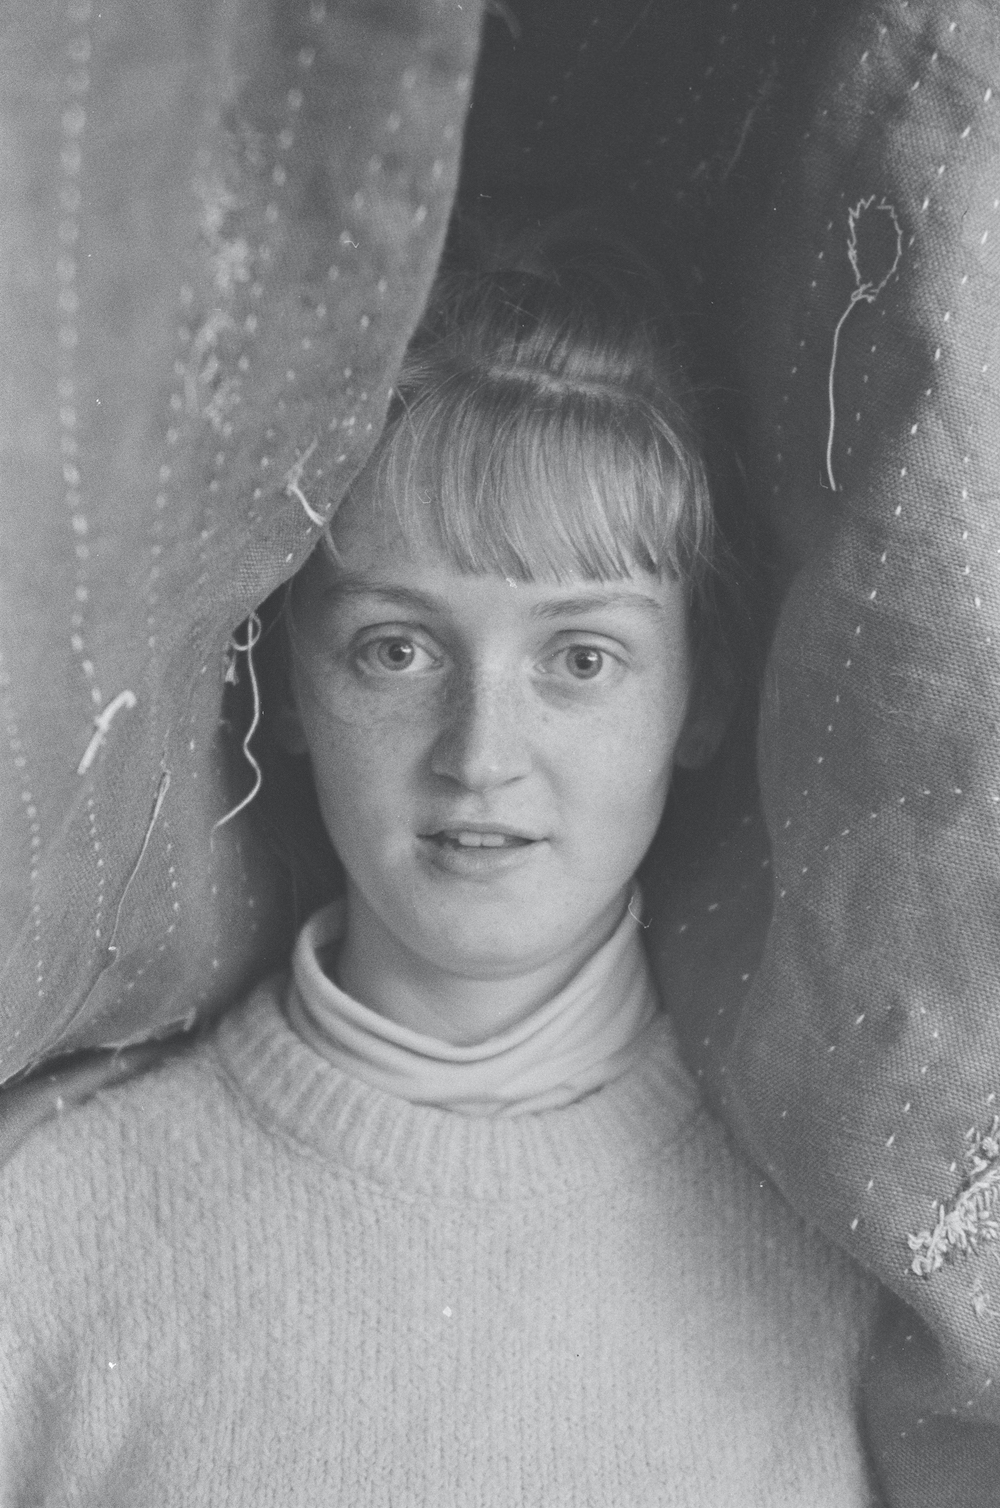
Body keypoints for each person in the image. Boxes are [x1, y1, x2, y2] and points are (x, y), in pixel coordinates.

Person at [0, 225, 883, 1505]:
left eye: (579, 657)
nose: (481, 755)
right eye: (397, 650)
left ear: (702, 695)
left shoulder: (843, 1261)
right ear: (289, 682)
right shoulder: (48, 1230)